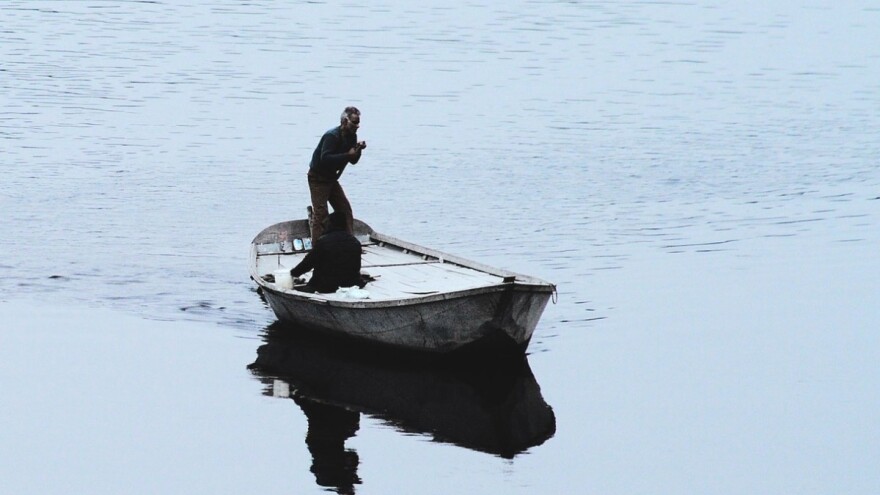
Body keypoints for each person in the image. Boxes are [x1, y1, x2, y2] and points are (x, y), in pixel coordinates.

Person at [307, 106, 366, 241]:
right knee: (321, 214)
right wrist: (347, 155)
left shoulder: (352, 136)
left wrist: (359, 150)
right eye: (355, 122)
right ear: (345, 121)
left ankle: (350, 243)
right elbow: (325, 158)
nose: (358, 126)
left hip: (331, 179)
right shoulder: (331, 136)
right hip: (318, 179)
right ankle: (317, 249)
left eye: (358, 122)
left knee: (345, 210)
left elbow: (353, 160)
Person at [290, 211, 363, 293]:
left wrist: (293, 273)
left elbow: (308, 263)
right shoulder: (355, 242)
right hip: (351, 284)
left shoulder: (323, 242)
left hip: (326, 286)